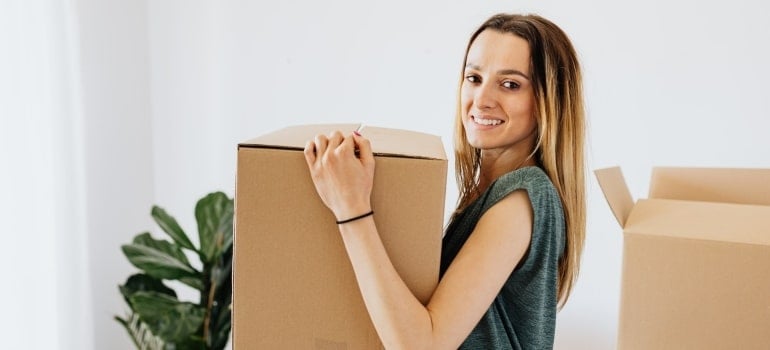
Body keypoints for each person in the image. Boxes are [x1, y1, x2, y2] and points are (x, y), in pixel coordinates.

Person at [303, 13, 586, 350]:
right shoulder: (488, 196)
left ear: (547, 102)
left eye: (510, 84)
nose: (481, 99)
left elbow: (424, 345)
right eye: (474, 77)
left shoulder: (524, 196)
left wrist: (350, 207)